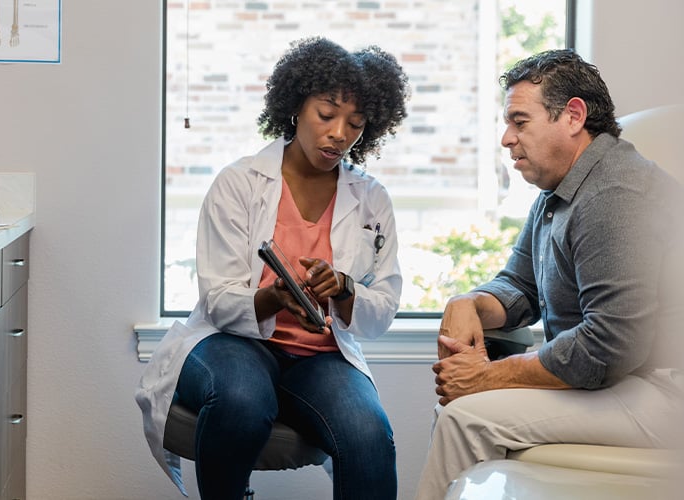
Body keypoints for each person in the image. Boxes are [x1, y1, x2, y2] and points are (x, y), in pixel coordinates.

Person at [136, 37, 410, 500]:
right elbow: (219, 301)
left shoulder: (371, 198)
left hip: (320, 356)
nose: (340, 133)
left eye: (356, 124)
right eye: (327, 115)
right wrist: (273, 296)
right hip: (234, 341)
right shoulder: (240, 183)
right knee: (242, 402)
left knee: (369, 434)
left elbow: (382, 308)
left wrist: (344, 290)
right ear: (295, 107)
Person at [415, 49, 684, 499]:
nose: (506, 138)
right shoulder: (559, 189)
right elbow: (521, 286)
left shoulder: (615, 192)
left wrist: (486, 377)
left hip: (663, 390)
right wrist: (469, 303)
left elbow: (608, 347)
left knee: (465, 417)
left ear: (573, 116)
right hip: (625, 380)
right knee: (467, 409)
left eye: (519, 122)